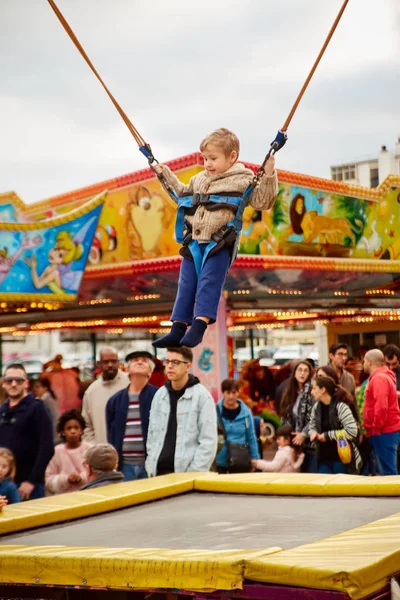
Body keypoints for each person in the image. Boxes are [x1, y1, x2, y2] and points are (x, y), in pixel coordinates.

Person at [152, 128, 278, 348]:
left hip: (221, 242)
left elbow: (262, 201)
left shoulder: (243, 178)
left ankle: (199, 325)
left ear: (232, 157)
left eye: (213, 159)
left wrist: (268, 175)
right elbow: (181, 195)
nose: (207, 164)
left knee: (209, 282)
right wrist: (164, 173)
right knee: (186, 283)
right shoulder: (199, 179)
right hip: (194, 241)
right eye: (205, 159)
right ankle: (178, 327)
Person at [145, 347, 218, 477]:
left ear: (187, 366)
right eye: (167, 362)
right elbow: (152, 435)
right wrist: (150, 464)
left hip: (187, 476)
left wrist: (193, 473)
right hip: (157, 474)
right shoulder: (160, 395)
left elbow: (209, 442)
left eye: (176, 362)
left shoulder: (202, 397)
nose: (170, 366)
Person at [0, 363, 54, 500]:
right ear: (3, 383)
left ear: (26, 383)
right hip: (4, 485)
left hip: (30, 487)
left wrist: (31, 481)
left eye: (18, 380)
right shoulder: (2, 411)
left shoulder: (37, 408)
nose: (13, 384)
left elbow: (47, 448)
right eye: (9, 380)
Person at [106, 351, 158, 481]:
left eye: (144, 361)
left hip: (151, 464)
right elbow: (111, 433)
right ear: (127, 370)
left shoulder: (159, 396)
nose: (140, 362)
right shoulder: (115, 400)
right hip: (124, 465)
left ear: (150, 371)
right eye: (135, 360)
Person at [309, 376, 362, 474]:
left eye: (314, 388)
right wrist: (313, 433)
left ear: (323, 389)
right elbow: (312, 426)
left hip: (342, 459)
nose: (311, 392)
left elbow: (352, 431)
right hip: (323, 458)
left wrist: (327, 436)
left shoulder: (341, 407)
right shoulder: (316, 407)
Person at [362, 349, 400, 475]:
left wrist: (375, 428)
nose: (363, 364)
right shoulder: (382, 377)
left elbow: (381, 407)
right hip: (384, 431)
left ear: (370, 362)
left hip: (384, 432)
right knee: (386, 471)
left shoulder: (379, 378)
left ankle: (395, 495)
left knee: (388, 473)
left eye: (364, 361)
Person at [82, 347, 129, 443]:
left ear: (118, 362)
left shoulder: (130, 383)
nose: (110, 365)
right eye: (106, 362)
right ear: (98, 364)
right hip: (101, 451)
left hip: (130, 450)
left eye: (113, 361)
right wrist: (93, 446)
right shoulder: (91, 392)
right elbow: (87, 425)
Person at [215, 379, 259, 474]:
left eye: (234, 392)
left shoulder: (246, 413)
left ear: (238, 393)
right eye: (228, 392)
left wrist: (255, 458)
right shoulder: (215, 411)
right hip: (219, 461)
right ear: (223, 393)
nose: (231, 396)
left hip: (240, 460)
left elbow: (251, 437)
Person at [280, 360, 316, 473]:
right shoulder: (289, 392)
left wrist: (304, 434)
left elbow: (316, 417)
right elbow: (285, 417)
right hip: (293, 443)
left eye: (306, 371)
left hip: (310, 444)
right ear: (294, 372)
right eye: (300, 370)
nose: (302, 373)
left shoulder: (313, 391)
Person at [45, 410, 92, 495]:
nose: (73, 431)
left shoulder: (89, 449)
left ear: (81, 430)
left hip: (87, 495)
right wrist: (66, 479)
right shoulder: (57, 451)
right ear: (62, 432)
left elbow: (96, 473)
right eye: (69, 428)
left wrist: (82, 478)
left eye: (76, 428)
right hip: (64, 498)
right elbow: (49, 480)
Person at [33, 377, 60, 444]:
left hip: (53, 435)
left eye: (38, 387)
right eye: (34, 387)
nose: (35, 389)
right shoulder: (43, 399)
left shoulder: (45, 400)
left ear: (45, 388)